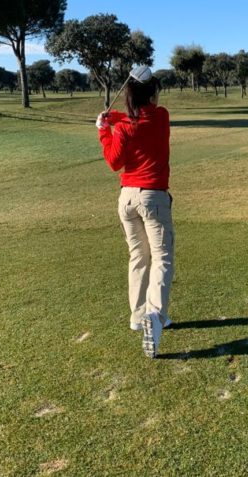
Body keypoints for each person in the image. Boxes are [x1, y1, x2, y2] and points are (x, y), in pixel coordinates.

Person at [96, 66, 174, 359]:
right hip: (154, 198)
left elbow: (114, 162)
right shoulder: (162, 116)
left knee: (139, 256)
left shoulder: (126, 127)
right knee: (162, 258)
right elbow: (140, 117)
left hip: (127, 199)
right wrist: (110, 124)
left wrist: (105, 129)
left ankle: (138, 315)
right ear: (152, 92)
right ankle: (154, 317)